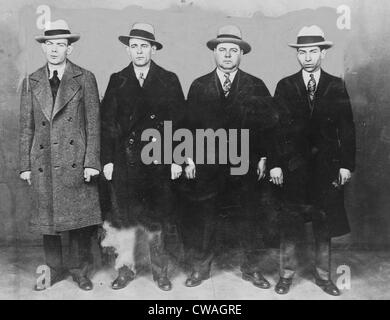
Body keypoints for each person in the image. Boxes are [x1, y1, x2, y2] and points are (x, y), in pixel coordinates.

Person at [179, 25, 280, 288]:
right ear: (214, 52)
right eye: (222, 50)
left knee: (249, 218)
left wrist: (264, 159)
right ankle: (201, 269)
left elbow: (268, 127)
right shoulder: (199, 85)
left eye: (233, 50)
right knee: (204, 218)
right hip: (208, 165)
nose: (227, 55)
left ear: (241, 55)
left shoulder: (255, 85)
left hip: (244, 165)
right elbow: (188, 126)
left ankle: (251, 269)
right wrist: (188, 158)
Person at [100, 22, 185, 291]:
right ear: (128, 50)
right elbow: (107, 123)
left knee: (157, 219)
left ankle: (161, 272)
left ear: (153, 49)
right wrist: (109, 160)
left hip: (158, 160)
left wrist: (176, 158)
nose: (138, 51)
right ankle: (125, 270)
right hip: (125, 162)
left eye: (144, 46)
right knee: (123, 219)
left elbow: (180, 123)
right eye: (134, 46)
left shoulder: (168, 79)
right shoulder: (118, 79)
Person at [272, 25, 356, 296]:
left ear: (323, 54)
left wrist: (345, 164)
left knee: (324, 224)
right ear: (297, 55)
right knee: (291, 224)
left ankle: (323, 277)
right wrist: (275, 163)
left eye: (313, 52)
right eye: (302, 52)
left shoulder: (335, 85)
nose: (307, 57)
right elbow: (275, 128)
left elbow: (347, 128)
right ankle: (285, 276)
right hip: (293, 168)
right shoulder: (285, 85)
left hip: (326, 168)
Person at [19, 20, 102, 291]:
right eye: (49, 44)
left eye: (60, 45)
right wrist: (24, 165)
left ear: (70, 49)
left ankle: (79, 271)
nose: (54, 50)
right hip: (42, 162)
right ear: (43, 48)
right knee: (48, 223)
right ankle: (53, 269)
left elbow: (93, 124)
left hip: (74, 160)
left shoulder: (85, 77)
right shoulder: (32, 81)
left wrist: (91, 162)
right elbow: (26, 126)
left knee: (77, 221)